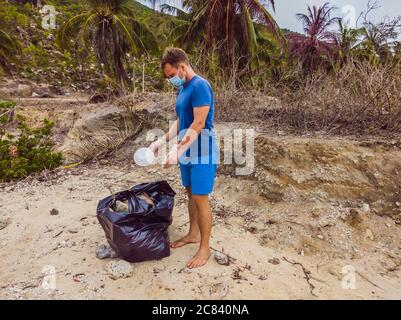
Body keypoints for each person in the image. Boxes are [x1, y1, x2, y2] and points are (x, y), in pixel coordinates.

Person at [149, 47, 218, 269]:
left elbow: (198, 123)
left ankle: (204, 247)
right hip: (187, 150)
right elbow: (181, 121)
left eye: (171, 76)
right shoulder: (183, 89)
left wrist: (176, 151)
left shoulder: (200, 86)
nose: (170, 80)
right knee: (190, 194)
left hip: (203, 151)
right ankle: (193, 233)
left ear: (182, 67)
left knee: (200, 198)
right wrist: (161, 142)